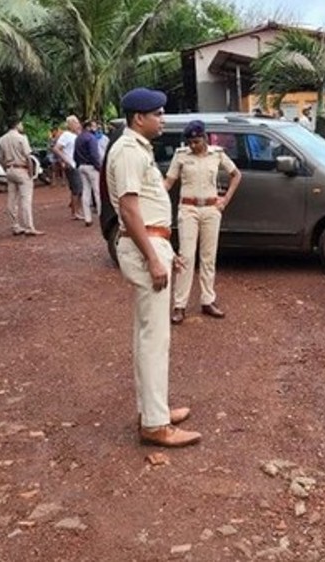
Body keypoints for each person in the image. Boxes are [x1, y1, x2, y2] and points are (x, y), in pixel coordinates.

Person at [107, 87, 201, 448]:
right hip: (144, 245)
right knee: (153, 340)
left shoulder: (135, 149)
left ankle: (153, 411)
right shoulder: (129, 151)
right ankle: (155, 424)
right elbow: (130, 210)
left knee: (149, 336)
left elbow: (143, 207)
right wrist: (152, 256)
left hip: (152, 240)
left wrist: (164, 249)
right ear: (138, 118)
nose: (162, 119)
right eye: (158, 114)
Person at [165, 120, 242, 324]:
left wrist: (225, 199)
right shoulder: (181, 155)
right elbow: (169, 182)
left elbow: (236, 175)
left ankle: (208, 300)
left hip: (211, 209)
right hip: (188, 208)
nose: (193, 145)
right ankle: (179, 305)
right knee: (186, 257)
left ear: (205, 138)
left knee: (209, 257)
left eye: (197, 141)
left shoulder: (217, 154)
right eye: (190, 142)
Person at [0, 117, 42, 237]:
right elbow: (28, 157)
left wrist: (5, 169)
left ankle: (15, 226)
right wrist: (31, 173)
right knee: (26, 199)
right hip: (21, 169)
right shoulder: (22, 138)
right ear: (17, 125)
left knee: (12, 200)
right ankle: (29, 227)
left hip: (10, 169)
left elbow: (0, 158)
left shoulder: (2, 139)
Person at [74, 118, 104, 227]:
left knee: (86, 192)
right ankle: (101, 215)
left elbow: (75, 155)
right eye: (94, 126)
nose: (95, 128)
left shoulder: (78, 138)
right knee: (97, 192)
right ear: (88, 127)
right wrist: (98, 167)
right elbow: (94, 155)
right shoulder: (91, 138)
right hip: (91, 167)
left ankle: (87, 218)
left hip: (81, 166)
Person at [53, 115, 83, 220]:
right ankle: (75, 212)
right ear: (70, 124)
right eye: (76, 123)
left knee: (79, 188)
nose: (78, 125)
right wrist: (66, 160)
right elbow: (57, 149)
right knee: (76, 189)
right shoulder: (66, 135)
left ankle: (77, 209)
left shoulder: (76, 135)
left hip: (78, 164)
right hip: (72, 164)